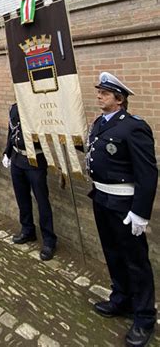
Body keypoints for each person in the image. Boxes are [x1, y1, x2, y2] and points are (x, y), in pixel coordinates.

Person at [87, 72, 158, 347]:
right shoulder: (99, 124)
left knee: (136, 261)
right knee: (113, 254)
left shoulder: (133, 126)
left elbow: (147, 173)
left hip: (125, 204)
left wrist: (141, 212)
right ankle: (121, 299)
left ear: (119, 99)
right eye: (100, 92)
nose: (99, 96)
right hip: (102, 199)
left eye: (104, 93)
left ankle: (144, 317)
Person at [2, 102, 57, 261]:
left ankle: (49, 240)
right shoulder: (13, 107)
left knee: (42, 201)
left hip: (36, 160)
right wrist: (7, 152)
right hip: (17, 158)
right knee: (22, 198)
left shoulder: (41, 106)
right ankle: (27, 230)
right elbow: (11, 131)